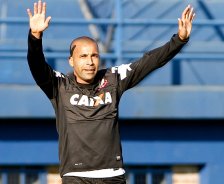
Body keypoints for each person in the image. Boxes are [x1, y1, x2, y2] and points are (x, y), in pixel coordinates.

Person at [26, 1, 195, 183]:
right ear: (71, 61)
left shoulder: (113, 79)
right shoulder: (59, 85)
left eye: (94, 56)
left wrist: (179, 40)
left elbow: (149, 62)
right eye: (83, 56)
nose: (90, 62)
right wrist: (35, 36)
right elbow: (36, 65)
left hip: (112, 176)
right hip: (75, 177)